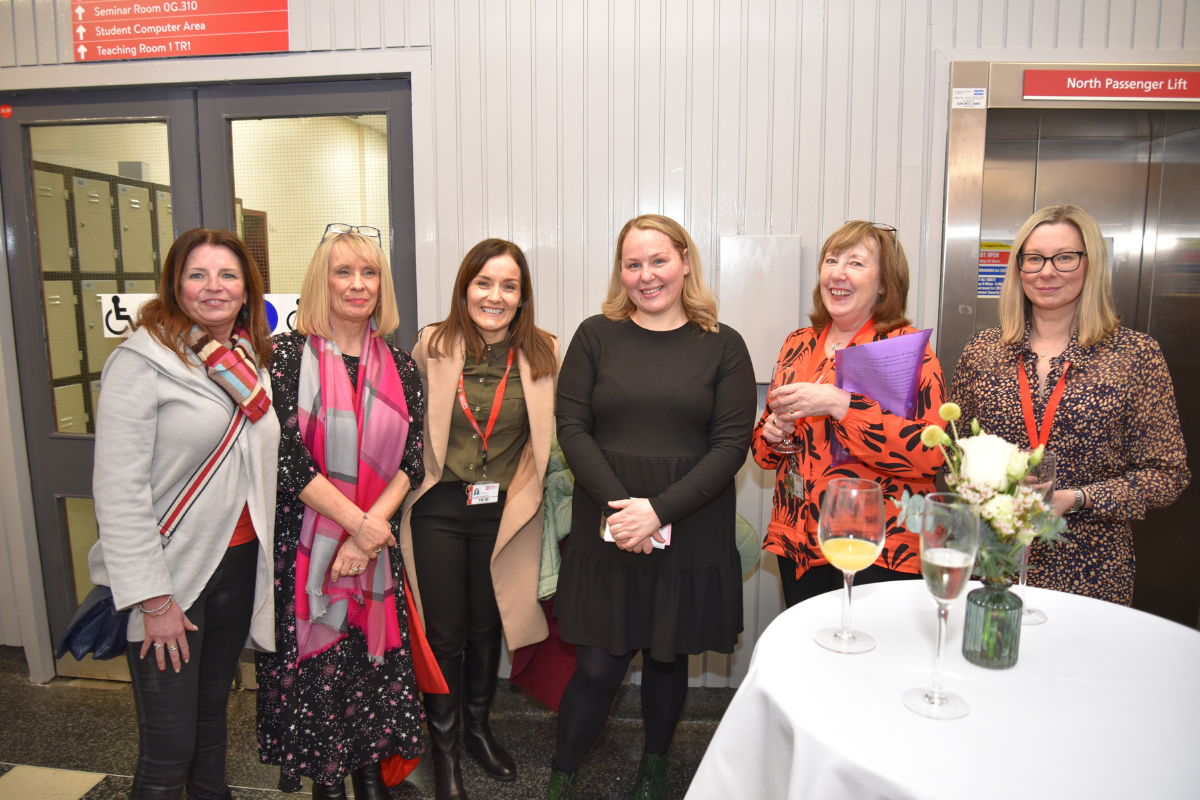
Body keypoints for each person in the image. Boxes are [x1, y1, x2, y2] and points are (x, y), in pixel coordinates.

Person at [548, 214, 757, 800]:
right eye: (633, 263)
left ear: (685, 261)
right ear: (621, 271)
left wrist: (659, 512)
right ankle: (561, 776)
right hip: (607, 522)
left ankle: (654, 771)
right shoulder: (595, 335)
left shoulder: (724, 345)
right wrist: (627, 511)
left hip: (689, 524)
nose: (647, 276)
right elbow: (572, 427)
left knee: (668, 661)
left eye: (658, 261)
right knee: (596, 666)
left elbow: (730, 446)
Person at [89, 228, 279, 800]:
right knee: (168, 749)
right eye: (197, 274)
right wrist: (153, 598)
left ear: (247, 289)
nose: (213, 287)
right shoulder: (141, 361)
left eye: (228, 275)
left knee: (212, 728)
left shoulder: (248, 363)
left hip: (238, 564)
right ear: (176, 285)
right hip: (172, 579)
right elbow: (118, 491)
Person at [256, 227, 429, 799]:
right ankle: (328, 789)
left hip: (372, 557)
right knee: (322, 686)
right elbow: (288, 460)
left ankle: (371, 784)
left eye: (369, 273)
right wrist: (358, 526)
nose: (358, 285)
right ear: (319, 281)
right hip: (307, 558)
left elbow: (413, 459)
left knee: (371, 683)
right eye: (343, 272)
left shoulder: (402, 367)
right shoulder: (282, 358)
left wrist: (367, 535)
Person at [949, 204, 1189, 605]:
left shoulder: (1135, 355)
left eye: (1064, 257)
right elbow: (954, 454)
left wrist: (1076, 498)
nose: (1047, 272)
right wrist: (987, 483)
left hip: (1089, 569)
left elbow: (1167, 475)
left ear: (1090, 264)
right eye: (1034, 259)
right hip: (992, 560)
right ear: (1018, 267)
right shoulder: (982, 352)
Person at [399, 238, 560, 800]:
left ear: (522, 296)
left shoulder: (545, 353)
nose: (495, 296)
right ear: (465, 288)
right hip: (440, 508)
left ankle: (478, 730)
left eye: (509, 286)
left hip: (505, 513)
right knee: (445, 633)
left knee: (489, 625)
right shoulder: (431, 345)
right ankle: (443, 750)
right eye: (484, 283)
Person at [751, 221, 946, 609]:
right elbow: (762, 453)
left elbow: (930, 456)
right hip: (799, 542)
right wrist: (772, 432)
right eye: (831, 260)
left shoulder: (906, 349)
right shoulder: (798, 344)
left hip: (878, 546)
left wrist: (840, 405)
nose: (837, 272)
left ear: (884, 284)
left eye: (856, 263)